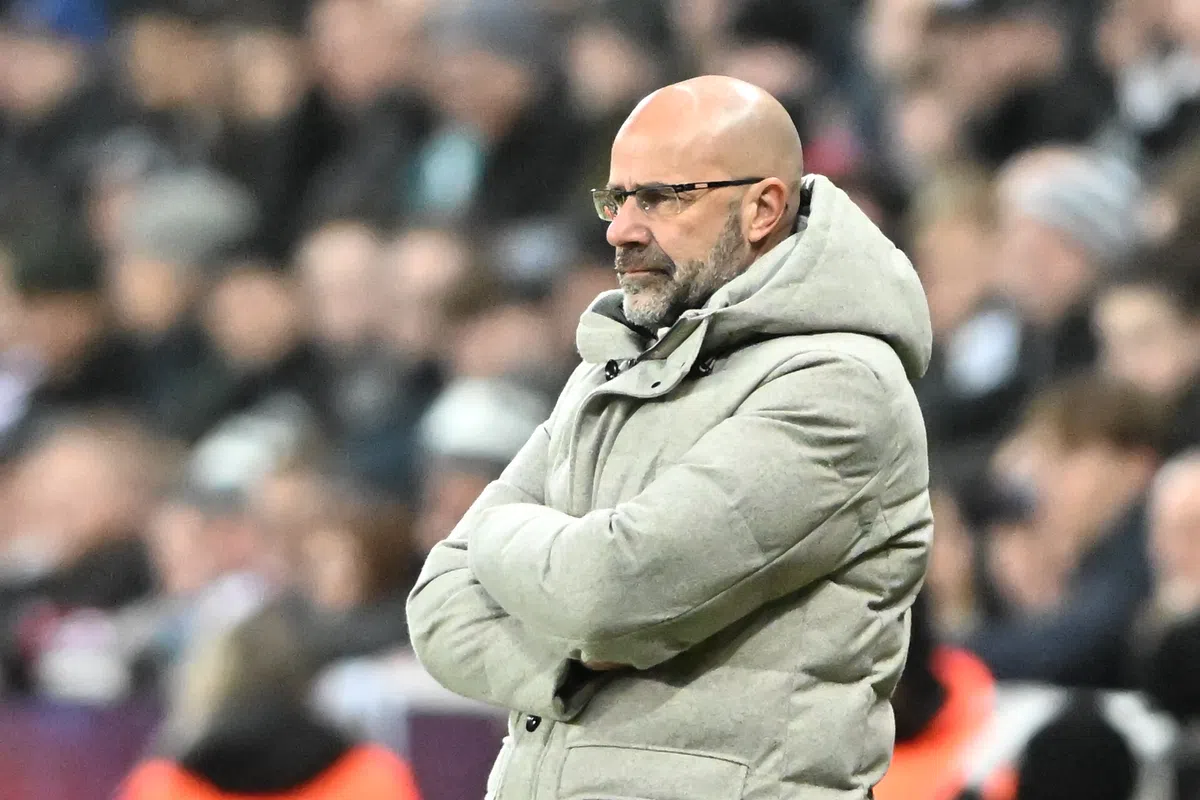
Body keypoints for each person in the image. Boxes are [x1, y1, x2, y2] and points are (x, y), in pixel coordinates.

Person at [407, 76, 934, 799]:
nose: (620, 230)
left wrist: (495, 534)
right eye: (616, 199)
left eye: (659, 198)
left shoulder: (839, 386)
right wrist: (576, 657)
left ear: (762, 208)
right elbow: (438, 605)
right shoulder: (615, 364)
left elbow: (607, 589)